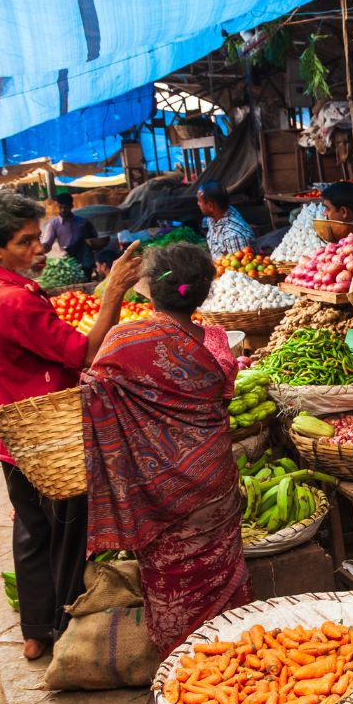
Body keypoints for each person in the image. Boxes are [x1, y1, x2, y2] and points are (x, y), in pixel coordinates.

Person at [0, 191, 143, 661]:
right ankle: (67, 634)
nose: (39, 249)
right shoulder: (16, 301)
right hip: (51, 441)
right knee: (67, 536)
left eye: (37, 237)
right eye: (25, 242)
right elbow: (85, 353)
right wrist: (115, 290)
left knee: (31, 533)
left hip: (15, 443)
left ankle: (35, 632)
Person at [81, 242, 250, 656]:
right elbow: (224, 393)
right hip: (214, 479)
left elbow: (93, 382)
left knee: (167, 577)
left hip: (158, 491)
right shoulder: (215, 341)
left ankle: (180, 667)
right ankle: (237, 657)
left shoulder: (124, 339)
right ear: (204, 292)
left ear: (149, 290)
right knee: (223, 570)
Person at [40, 192, 99, 274]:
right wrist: (40, 249)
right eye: (61, 207)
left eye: (66, 207)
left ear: (71, 207)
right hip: (68, 263)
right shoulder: (53, 224)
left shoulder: (82, 222)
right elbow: (47, 244)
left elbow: (94, 239)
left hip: (84, 262)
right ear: (58, 206)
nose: (63, 210)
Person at [196, 180, 255, 258]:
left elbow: (238, 268)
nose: (198, 203)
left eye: (199, 201)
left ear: (210, 206)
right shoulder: (214, 216)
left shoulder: (233, 236)